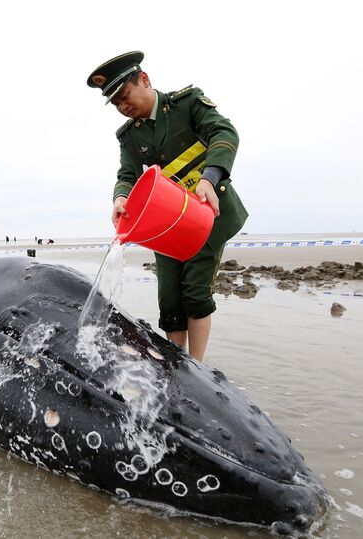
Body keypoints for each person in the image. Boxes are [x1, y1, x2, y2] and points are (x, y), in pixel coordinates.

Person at [87, 51, 248, 361]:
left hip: (206, 213)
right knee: (170, 300)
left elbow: (224, 133)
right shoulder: (130, 136)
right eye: (116, 104)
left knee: (195, 293)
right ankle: (177, 364)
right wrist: (120, 198)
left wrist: (209, 177)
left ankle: (198, 369)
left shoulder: (186, 104)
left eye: (125, 95)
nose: (123, 106)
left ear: (144, 80)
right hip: (166, 223)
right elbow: (127, 175)